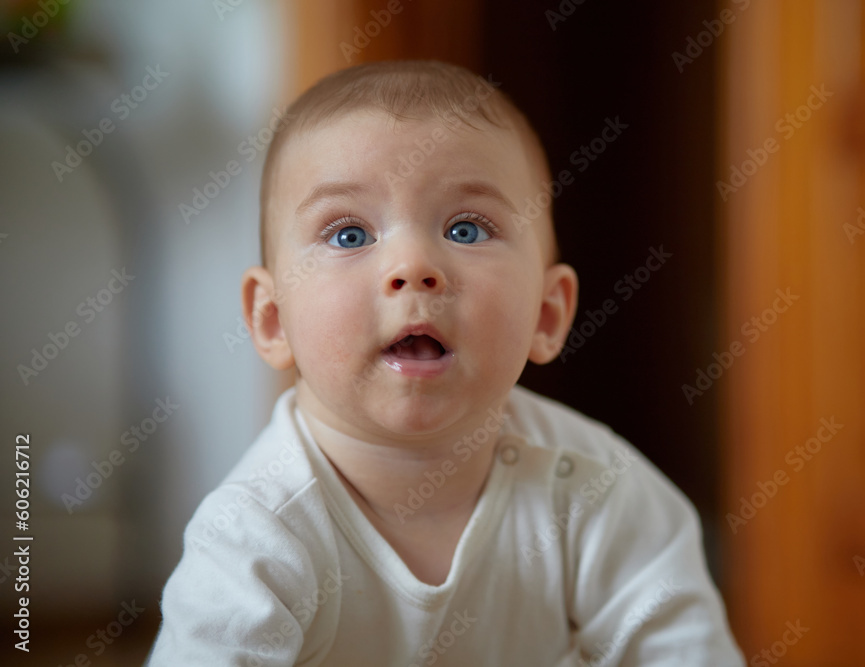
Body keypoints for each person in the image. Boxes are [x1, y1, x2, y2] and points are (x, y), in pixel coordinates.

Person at [148, 60, 744, 666]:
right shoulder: (255, 539)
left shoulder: (595, 490)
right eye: (349, 234)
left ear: (546, 313)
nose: (412, 264)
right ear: (272, 319)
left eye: (466, 228)